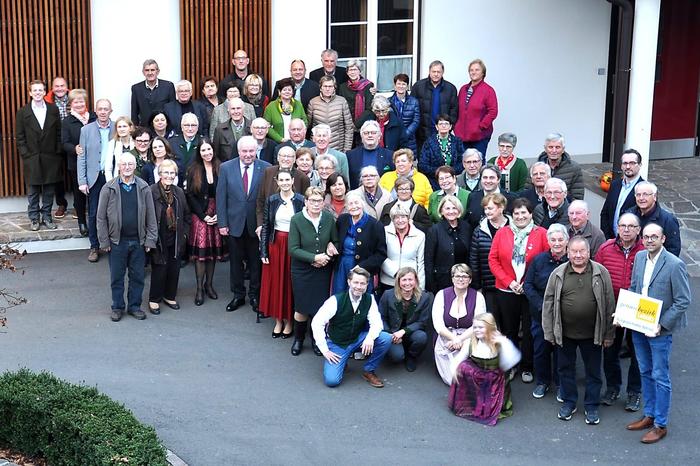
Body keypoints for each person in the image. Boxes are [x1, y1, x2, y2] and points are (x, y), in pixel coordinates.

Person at [625, 223, 691, 443]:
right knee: (644, 370)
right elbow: (635, 288)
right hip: (639, 326)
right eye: (646, 237)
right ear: (641, 239)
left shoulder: (675, 264)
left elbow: (683, 301)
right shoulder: (641, 258)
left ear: (663, 239)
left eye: (654, 237)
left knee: (660, 376)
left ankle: (660, 424)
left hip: (659, 331)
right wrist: (625, 315)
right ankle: (649, 414)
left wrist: (661, 325)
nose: (650, 240)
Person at [542, 236, 616, 425]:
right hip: (565, 334)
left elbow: (609, 304)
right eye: (574, 251)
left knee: (593, 372)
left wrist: (609, 334)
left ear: (589, 252)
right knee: (565, 370)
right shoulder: (558, 274)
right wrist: (549, 332)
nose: (578, 255)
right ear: (568, 252)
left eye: (582, 251)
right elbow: (548, 303)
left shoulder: (601, 272)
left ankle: (591, 406)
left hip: (593, 334)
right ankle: (569, 402)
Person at [489, 198, 549, 383]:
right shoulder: (502, 233)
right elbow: (493, 260)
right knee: (510, 329)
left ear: (531, 214)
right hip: (507, 290)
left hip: (531, 291)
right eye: (516, 213)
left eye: (524, 212)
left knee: (531, 330)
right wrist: (509, 282)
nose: (520, 216)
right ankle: (512, 364)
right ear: (511, 215)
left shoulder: (542, 234)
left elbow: (546, 261)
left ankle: (527, 367)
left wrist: (527, 283)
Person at [96, 152, 157, 322]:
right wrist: (104, 241)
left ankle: (134, 306)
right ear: (119, 166)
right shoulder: (108, 188)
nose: (127, 167)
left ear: (135, 166)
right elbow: (100, 218)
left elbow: (151, 216)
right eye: (124, 164)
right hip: (117, 242)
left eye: (130, 164)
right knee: (117, 277)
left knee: (137, 276)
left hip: (138, 241)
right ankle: (117, 307)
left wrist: (150, 239)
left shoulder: (143, 187)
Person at [594, 213, 644, 411]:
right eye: (622, 225)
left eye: (631, 226)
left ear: (638, 230)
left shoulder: (645, 250)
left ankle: (634, 392)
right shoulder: (605, 249)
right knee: (610, 351)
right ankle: (613, 388)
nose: (626, 229)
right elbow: (595, 276)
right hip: (611, 308)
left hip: (637, 308)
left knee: (637, 352)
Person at [217, 136, 272, 314]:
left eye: (251, 151)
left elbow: (267, 199)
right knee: (235, 262)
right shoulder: (226, 168)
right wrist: (222, 223)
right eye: (244, 151)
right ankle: (238, 294)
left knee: (256, 263)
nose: (248, 155)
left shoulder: (266, 168)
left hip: (256, 226)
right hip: (234, 224)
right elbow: (221, 197)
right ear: (238, 151)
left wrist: (264, 224)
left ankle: (255, 295)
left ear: (256, 150)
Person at [311, 267, 392, 388]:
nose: (359, 286)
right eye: (356, 282)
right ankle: (342, 362)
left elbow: (377, 323)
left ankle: (369, 370)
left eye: (362, 283)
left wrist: (369, 338)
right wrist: (325, 350)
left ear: (367, 285)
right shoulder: (335, 300)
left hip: (357, 339)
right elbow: (317, 323)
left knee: (385, 338)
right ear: (349, 282)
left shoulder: (369, 299)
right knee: (332, 381)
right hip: (338, 343)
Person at [288, 186, 339, 356]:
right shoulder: (296, 220)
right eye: (312, 200)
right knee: (301, 307)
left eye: (319, 200)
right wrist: (314, 258)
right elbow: (293, 249)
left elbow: (335, 242)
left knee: (320, 308)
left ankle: (317, 339)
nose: (316, 204)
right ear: (306, 201)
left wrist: (329, 254)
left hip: (323, 269)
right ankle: (299, 339)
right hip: (302, 270)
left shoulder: (329, 218)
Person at [448, 313, 520, 425]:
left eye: (481, 327)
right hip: (477, 376)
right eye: (475, 327)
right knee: (463, 366)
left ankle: (490, 403)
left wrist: (504, 343)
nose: (477, 330)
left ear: (490, 327)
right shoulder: (470, 342)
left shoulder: (498, 343)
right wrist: (454, 373)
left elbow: (510, 362)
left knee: (489, 402)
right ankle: (472, 401)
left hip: (494, 379)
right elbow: (458, 359)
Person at [523, 223, 569, 399]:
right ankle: (542, 382)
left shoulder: (572, 261)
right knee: (541, 349)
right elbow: (528, 285)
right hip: (540, 315)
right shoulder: (539, 260)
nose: (556, 243)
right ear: (548, 241)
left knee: (561, 351)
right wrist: (541, 305)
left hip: (564, 316)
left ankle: (560, 383)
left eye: (560, 239)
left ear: (567, 240)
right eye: (553, 239)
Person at [260, 169, 305, 338]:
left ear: (293, 181)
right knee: (275, 283)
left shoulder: (300, 200)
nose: (285, 183)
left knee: (289, 283)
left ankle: (290, 321)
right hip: (275, 245)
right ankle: (278, 320)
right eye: (281, 180)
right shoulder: (271, 200)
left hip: (293, 245)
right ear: (277, 182)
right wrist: (263, 250)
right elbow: (266, 226)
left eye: (288, 179)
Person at [16, 79, 63, 231]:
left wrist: (57, 151)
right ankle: (34, 218)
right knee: (33, 190)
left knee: (49, 189)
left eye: (40, 90)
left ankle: (47, 217)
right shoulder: (23, 112)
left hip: (51, 156)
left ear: (44, 92)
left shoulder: (53, 109)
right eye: (34, 90)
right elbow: (20, 136)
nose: (37, 93)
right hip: (32, 157)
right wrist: (25, 154)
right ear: (30, 93)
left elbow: (58, 132)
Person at [186, 138, 226, 306]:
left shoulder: (221, 167)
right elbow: (190, 195)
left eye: (209, 149)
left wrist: (219, 214)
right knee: (201, 255)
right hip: (200, 214)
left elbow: (226, 191)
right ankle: (199, 289)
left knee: (213, 254)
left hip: (217, 212)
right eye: (203, 150)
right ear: (199, 153)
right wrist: (203, 216)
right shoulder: (193, 169)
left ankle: (209, 285)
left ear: (213, 150)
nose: (207, 153)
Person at [147, 159, 190, 315]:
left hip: (176, 236)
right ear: (159, 174)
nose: (169, 176)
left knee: (174, 267)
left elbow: (186, 215)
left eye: (172, 173)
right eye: (166, 172)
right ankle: (154, 299)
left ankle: (169, 295)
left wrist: (184, 234)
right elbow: (145, 216)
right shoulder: (151, 191)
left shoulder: (178, 192)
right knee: (159, 267)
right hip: (158, 237)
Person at [432, 263, 486, 384]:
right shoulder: (441, 295)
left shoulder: (478, 297)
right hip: (446, 337)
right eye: (457, 276)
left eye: (465, 276)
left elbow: (478, 325)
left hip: (468, 337)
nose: (461, 279)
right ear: (452, 278)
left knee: (464, 377)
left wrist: (460, 339)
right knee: (452, 379)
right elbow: (438, 324)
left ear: (470, 280)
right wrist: (453, 338)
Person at [77, 98, 115, 262]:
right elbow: (82, 157)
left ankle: (114, 245)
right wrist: (82, 180)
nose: (103, 112)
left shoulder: (117, 127)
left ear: (110, 111)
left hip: (113, 176)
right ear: (95, 111)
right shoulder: (86, 130)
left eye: (106, 109)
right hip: (94, 177)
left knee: (114, 213)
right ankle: (94, 246)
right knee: (94, 213)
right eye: (100, 109)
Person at [378, 267, 432, 371]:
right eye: (404, 280)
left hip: (411, 332)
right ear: (398, 281)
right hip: (392, 333)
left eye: (410, 279)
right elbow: (381, 317)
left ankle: (411, 356)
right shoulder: (388, 295)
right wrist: (391, 334)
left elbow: (422, 322)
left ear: (415, 280)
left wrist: (403, 331)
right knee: (397, 357)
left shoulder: (424, 297)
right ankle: (395, 350)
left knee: (421, 337)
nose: (407, 283)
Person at [333, 191, 387, 294]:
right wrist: (330, 244)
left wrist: (363, 266)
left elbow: (381, 254)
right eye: (350, 204)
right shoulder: (342, 220)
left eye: (356, 203)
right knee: (341, 299)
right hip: (342, 269)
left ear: (362, 204)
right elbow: (334, 239)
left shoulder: (375, 225)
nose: (354, 206)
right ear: (346, 207)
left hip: (363, 271)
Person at [62, 88, 95, 237]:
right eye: (76, 101)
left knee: (95, 193)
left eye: (81, 100)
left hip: (94, 163)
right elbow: (64, 143)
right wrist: (74, 148)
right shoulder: (67, 121)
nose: (79, 103)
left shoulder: (93, 118)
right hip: (76, 164)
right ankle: (82, 222)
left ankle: (96, 223)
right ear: (71, 104)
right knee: (79, 194)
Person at [469, 193, 510, 313]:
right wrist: (477, 285)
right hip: (488, 285)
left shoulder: (513, 227)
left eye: (490, 208)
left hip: (509, 285)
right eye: (485, 208)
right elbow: (474, 260)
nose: (487, 211)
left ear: (501, 208)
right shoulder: (479, 230)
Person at [425, 196, 472, 293]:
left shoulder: (466, 228)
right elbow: (429, 260)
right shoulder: (434, 230)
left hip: (464, 280)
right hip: (442, 282)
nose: (451, 211)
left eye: (454, 208)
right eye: (447, 208)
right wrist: (431, 285)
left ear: (459, 211)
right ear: (441, 211)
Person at [255, 145, 311, 227]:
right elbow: (261, 200)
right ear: (278, 158)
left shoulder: (303, 178)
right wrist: (260, 225)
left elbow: (306, 205)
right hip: (269, 225)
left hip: (294, 226)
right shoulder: (268, 172)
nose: (286, 159)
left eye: (289, 156)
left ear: (294, 159)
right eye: (283, 156)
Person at [410, 60, 458, 152]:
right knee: (424, 161)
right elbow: (412, 108)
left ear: (442, 72)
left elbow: (454, 110)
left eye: (438, 72)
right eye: (434, 71)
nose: (436, 74)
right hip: (422, 133)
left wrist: (449, 127)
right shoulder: (418, 86)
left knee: (442, 162)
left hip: (442, 132)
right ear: (429, 71)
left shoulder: (450, 88)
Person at [454, 59, 498, 158]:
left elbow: (493, 111)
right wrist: (456, 126)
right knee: (463, 163)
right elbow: (458, 108)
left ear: (483, 73)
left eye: (477, 70)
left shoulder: (488, 90)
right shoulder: (463, 89)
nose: (473, 72)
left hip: (479, 136)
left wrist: (481, 126)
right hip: (462, 135)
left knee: (477, 162)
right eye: (471, 70)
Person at [600, 148, 644, 239]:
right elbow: (605, 213)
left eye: (632, 163)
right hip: (612, 241)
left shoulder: (645, 189)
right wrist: (608, 238)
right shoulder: (615, 185)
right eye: (625, 163)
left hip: (633, 243)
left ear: (640, 165)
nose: (628, 167)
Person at [629, 181, 681, 257]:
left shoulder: (668, 220)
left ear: (654, 197)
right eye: (638, 195)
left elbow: (673, 250)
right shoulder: (629, 215)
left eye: (645, 194)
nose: (641, 198)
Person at [380, 204, 425, 291]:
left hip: (410, 283)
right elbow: (380, 255)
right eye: (396, 217)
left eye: (403, 217)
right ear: (392, 219)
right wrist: (396, 272)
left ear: (408, 218)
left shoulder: (419, 235)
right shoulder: (384, 232)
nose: (400, 220)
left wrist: (420, 287)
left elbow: (421, 262)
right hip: (388, 281)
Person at [306, 77, 354, 153]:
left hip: (337, 148)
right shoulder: (313, 102)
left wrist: (346, 150)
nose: (327, 89)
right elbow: (307, 126)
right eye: (325, 86)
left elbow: (349, 128)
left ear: (334, 88)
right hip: (317, 148)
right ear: (320, 88)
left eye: (330, 86)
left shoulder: (342, 101)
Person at [530, 133, 584, 200]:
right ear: (545, 149)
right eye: (550, 147)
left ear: (563, 149)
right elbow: (528, 193)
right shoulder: (535, 168)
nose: (554, 151)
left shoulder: (574, 168)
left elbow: (577, 197)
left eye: (557, 147)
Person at [418, 114, 465, 189]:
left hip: (454, 179)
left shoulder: (457, 141)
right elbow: (422, 165)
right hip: (434, 181)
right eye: (441, 124)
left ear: (450, 127)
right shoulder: (429, 142)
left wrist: (450, 172)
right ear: (436, 127)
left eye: (446, 124)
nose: (443, 126)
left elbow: (462, 162)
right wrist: (440, 172)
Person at [46, 77, 69, 219]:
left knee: (76, 174)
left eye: (62, 86)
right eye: (57, 86)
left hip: (72, 142)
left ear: (66, 87)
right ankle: (61, 204)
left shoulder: (74, 98)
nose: (59, 88)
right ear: (52, 88)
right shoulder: (47, 101)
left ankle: (81, 204)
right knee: (57, 176)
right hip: (54, 143)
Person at [348, 120, 395, 189]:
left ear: (379, 136)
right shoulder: (350, 156)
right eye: (366, 133)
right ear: (361, 136)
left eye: (373, 133)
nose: (370, 135)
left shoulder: (390, 155)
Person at [130, 59, 176, 126]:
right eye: (147, 70)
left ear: (158, 71)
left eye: (152, 70)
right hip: (144, 128)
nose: (150, 73)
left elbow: (172, 109)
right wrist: (135, 128)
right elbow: (134, 112)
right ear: (143, 72)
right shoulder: (136, 88)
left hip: (163, 128)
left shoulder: (168, 86)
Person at [264, 78, 308, 144]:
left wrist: (298, 136)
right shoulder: (271, 106)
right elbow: (267, 126)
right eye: (284, 90)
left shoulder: (298, 104)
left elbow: (304, 122)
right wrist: (280, 139)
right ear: (279, 92)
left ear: (293, 92)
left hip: (296, 142)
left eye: (289, 90)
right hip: (277, 143)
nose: (287, 92)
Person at [389, 73, 420, 153]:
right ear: (395, 86)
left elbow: (416, 121)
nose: (401, 86)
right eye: (399, 84)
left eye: (404, 84)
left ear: (407, 86)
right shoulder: (388, 102)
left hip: (409, 140)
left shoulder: (414, 101)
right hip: (392, 138)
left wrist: (405, 134)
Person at [168, 113, 203, 180]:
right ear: (182, 127)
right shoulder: (171, 143)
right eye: (186, 125)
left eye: (193, 125)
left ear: (198, 127)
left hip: (197, 181)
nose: (190, 128)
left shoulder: (202, 143)